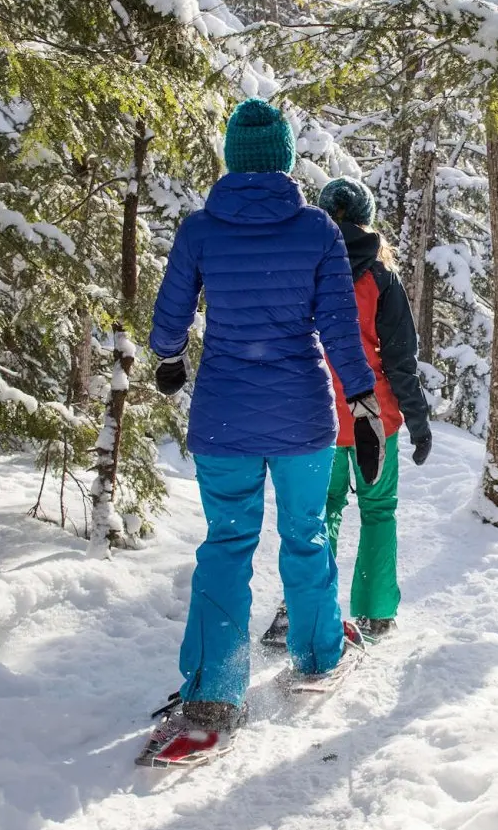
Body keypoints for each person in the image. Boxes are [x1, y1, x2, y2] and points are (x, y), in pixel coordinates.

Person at [136, 98, 387, 769]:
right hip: (304, 415)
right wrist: (361, 400)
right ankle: (316, 656)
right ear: (281, 158)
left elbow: (170, 316)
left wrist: (167, 358)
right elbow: (337, 326)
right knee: (305, 536)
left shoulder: (199, 230)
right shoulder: (316, 232)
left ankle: (213, 696)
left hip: (223, 416)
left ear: (231, 158)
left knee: (226, 545)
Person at [262, 178, 430, 647]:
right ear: (365, 220)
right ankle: (375, 613)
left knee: (320, 512)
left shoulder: (302, 271)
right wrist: (417, 421)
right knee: (378, 510)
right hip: (374, 415)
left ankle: (303, 609)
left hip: (316, 414)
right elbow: (400, 360)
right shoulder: (381, 279)